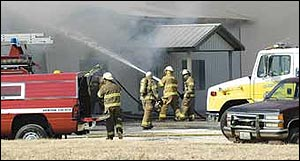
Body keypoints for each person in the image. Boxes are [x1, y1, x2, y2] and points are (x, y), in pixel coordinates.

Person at [97, 72, 123, 140]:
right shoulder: (116, 86)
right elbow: (120, 92)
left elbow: (99, 95)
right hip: (117, 106)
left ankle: (110, 136)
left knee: (109, 121)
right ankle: (119, 132)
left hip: (108, 107)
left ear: (105, 79)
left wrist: (100, 85)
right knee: (118, 120)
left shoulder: (104, 87)